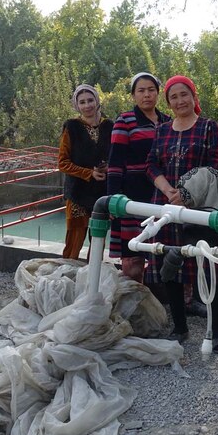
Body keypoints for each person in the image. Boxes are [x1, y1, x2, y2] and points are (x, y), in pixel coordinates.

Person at [146, 75, 218, 351]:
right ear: (168, 102)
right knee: (170, 265)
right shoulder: (162, 130)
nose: (180, 101)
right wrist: (170, 191)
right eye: (173, 97)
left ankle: (217, 332)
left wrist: (188, 194)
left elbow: (216, 167)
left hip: (201, 210)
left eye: (184, 95)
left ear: (194, 97)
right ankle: (179, 327)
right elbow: (152, 165)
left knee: (210, 266)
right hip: (167, 205)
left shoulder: (208, 128)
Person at [106, 72, 170, 283]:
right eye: (141, 91)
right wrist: (114, 198)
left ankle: (158, 301)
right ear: (133, 95)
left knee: (160, 250)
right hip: (132, 197)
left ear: (158, 94)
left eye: (151, 90)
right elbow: (115, 163)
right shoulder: (125, 121)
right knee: (133, 258)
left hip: (160, 196)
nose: (147, 95)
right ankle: (133, 301)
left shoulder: (168, 122)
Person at [58, 84, 114, 260]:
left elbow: (116, 156)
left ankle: (93, 280)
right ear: (77, 105)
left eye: (90, 100)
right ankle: (67, 278)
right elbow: (63, 163)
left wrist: (108, 167)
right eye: (82, 102)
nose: (87, 105)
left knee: (98, 240)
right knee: (74, 241)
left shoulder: (110, 126)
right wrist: (89, 173)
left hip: (102, 193)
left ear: (97, 101)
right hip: (77, 194)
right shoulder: (72, 127)